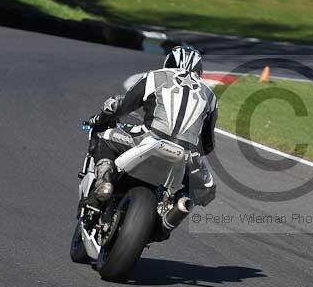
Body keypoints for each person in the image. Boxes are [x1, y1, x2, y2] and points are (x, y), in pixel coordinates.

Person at [84, 45, 217, 232]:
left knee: (103, 136)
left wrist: (100, 119)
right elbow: (208, 143)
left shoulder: (156, 76)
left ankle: (104, 181)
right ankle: (173, 213)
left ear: (168, 62)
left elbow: (123, 106)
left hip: (148, 138)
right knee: (205, 189)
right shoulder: (210, 96)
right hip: (186, 154)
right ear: (199, 69)